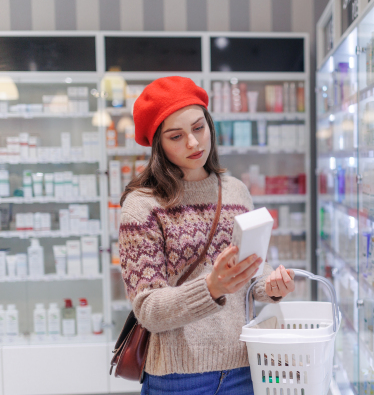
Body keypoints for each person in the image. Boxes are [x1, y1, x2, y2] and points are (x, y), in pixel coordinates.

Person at [119, 76, 296, 395]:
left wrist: (271, 285)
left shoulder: (235, 191)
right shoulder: (142, 205)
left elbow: (251, 269)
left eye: (198, 128)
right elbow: (147, 308)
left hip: (244, 366)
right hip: (178, 376)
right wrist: (211, 287)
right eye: (176, 136)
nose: (193, 143)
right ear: (158, 143)